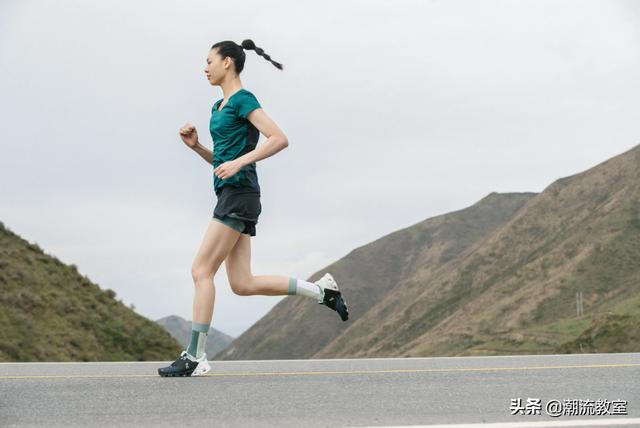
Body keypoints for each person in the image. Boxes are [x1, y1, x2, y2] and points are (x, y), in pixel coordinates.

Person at [158, 40, 349, 377]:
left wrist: (239, 162)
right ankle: (322, 291)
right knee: (242, 283)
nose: (204, 68)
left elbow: (278, 138)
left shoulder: (244, 100)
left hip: (240, 194)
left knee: (201, 271)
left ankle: (195, 355)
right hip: (230, 192)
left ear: (228, 62)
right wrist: (197, 147)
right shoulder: (219, 107)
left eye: (209, 61)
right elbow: (222, 162)